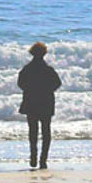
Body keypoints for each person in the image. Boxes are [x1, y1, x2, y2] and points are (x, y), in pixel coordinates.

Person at [16, 41, 61, 169]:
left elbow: (20, 83)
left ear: (32, 53)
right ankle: (43, 160)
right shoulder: (48, 70)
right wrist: (48, 90)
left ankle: (33, 156)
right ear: (44, 54)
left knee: (33, 131)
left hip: (31, 101)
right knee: (46, 131)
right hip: (46, 101)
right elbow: (57, 83)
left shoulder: (27, 69)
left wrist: (30, 90)